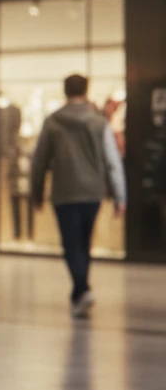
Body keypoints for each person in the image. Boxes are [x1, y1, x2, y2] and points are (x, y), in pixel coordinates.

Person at [30, 74, 127, 318]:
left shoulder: (53, 122)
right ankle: (80, 292)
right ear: (86, 90)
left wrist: (36, 191)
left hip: (65, 192)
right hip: (93, 192)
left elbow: (39, 160)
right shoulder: (99, 122)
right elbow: (112, 161)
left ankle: (81, 290)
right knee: (84, 242)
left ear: (65, 91)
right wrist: (119, 195)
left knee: (71, 244)